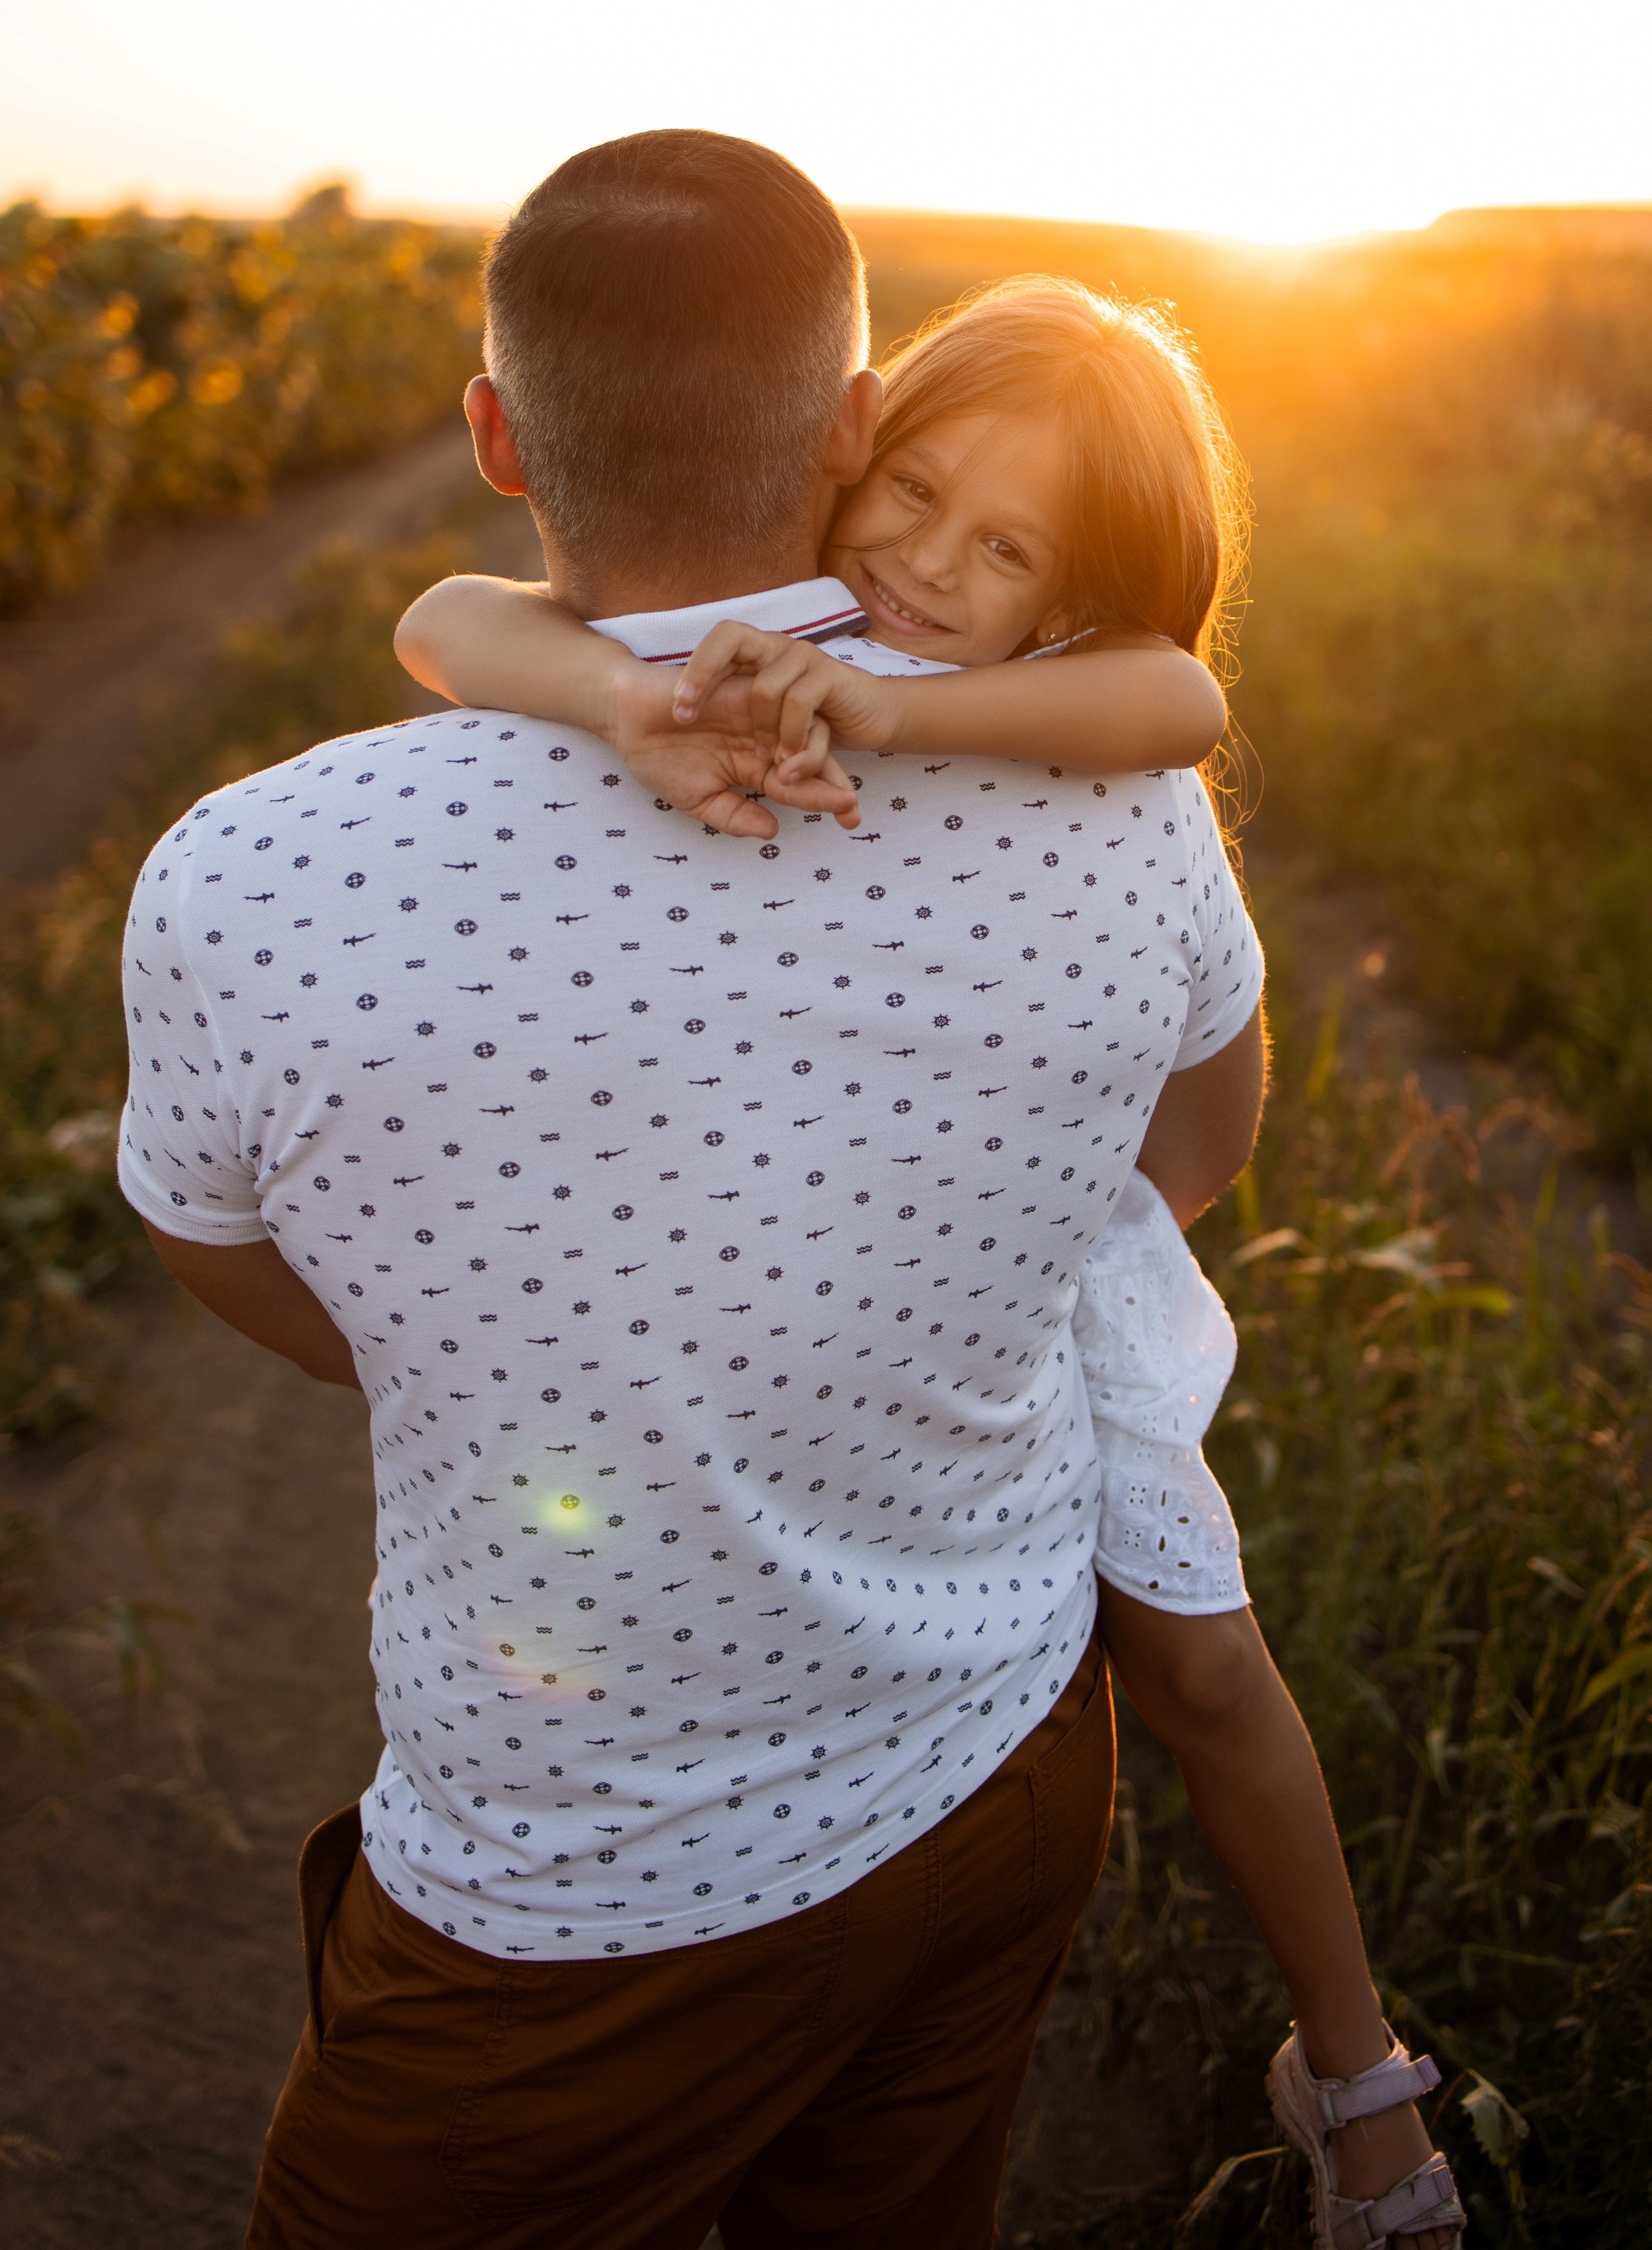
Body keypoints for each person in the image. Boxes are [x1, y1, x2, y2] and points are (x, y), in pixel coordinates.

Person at [109, 131, 1432, 2250]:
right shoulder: (1115, 809)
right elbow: (1183, 1159)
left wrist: (527, 1371)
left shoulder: (257, 880)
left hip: (566, 1900)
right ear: (847, 433)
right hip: (996, 1766)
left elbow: (204, 1233)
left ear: (489, 434)